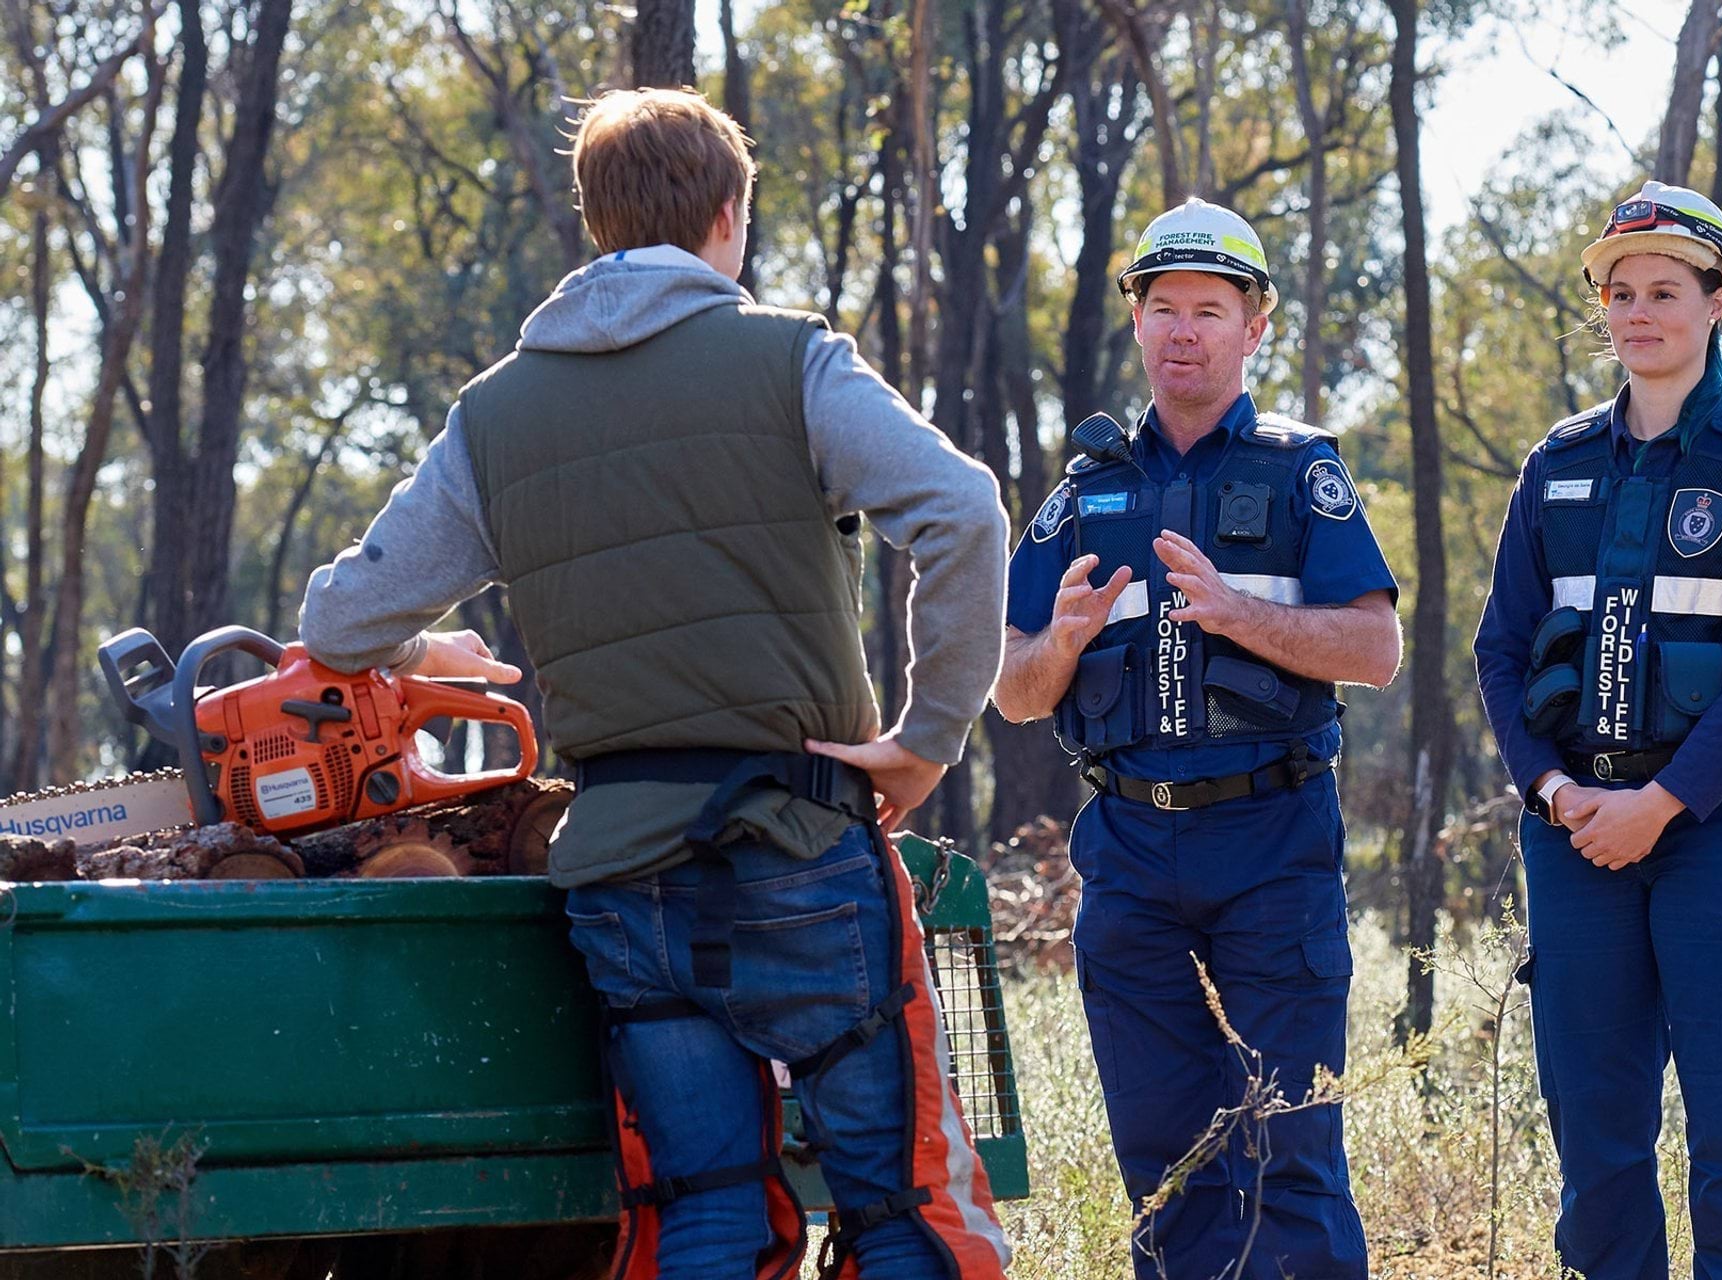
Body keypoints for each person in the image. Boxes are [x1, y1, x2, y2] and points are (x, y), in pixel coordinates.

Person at [298, 87, 1012, 1280]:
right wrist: (926, 733)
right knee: (893, 1214)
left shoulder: (496, 413)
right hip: (799, 845)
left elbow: (340, 620)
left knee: (710, 1217)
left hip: (624, 881)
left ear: (594, 221)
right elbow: (962, 510)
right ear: (728, 218)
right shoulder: (793, 360)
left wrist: (423, 651)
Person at [993, 197, 1401, 1279]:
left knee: (1289, 1148)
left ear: (1252, 325)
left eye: (1208, 309)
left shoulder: (1299, 469)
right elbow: (1013, 690)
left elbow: (1375, 646)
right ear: (1135, 320)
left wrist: (1242, 616)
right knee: (1163, 1166)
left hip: (1272, 838)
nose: (1183, 330)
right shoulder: (1083, 493)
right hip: (1128, 852)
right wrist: (1060, 644)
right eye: (1162, 306)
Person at [1473, 180, 1722, 1279]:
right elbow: (1497, 649)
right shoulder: (1556, 464)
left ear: (1718, 299)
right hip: (1576, 836)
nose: (1636, 311)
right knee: (1596, 1142)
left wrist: (1661, 803)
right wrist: (1552, 792)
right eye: (1617, 291)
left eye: (1663, 290)